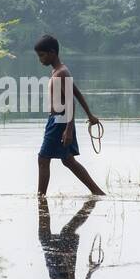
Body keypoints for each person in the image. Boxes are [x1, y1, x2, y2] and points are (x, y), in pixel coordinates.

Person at [33, 34, 105, 195]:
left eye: (42, 55)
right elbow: (77, 93)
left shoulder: (61, 73)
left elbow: (71, 101)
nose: (40, 59)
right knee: (68, 161)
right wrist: (90, 116)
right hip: (59, 120)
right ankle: (97, 193)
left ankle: (40, 197)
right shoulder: (58, 71)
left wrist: (69, 129)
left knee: (43, 159)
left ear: (52, 53)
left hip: (60, 122)